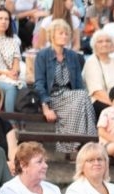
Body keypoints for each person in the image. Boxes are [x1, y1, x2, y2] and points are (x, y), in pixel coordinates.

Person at [34, 20, 96, 153]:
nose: (64, 36)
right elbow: (39, 83)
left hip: (73, 97)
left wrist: (81, 98)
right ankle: (87, 145)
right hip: (52, 98)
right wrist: (45, 107)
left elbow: (79, 83)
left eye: (67, 34)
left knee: (83, 97)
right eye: (61, 33)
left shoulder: (73, 56)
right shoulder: (43, 55)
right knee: (82, 97)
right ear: (52, 35)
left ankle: (77, 146)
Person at [83, 30, 114, 120]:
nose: (104, 44)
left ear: (112, 44)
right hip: (102, 102)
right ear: (94, 45)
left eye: (107, 41)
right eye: (100, 41)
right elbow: (97, 93)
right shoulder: (91, 62)